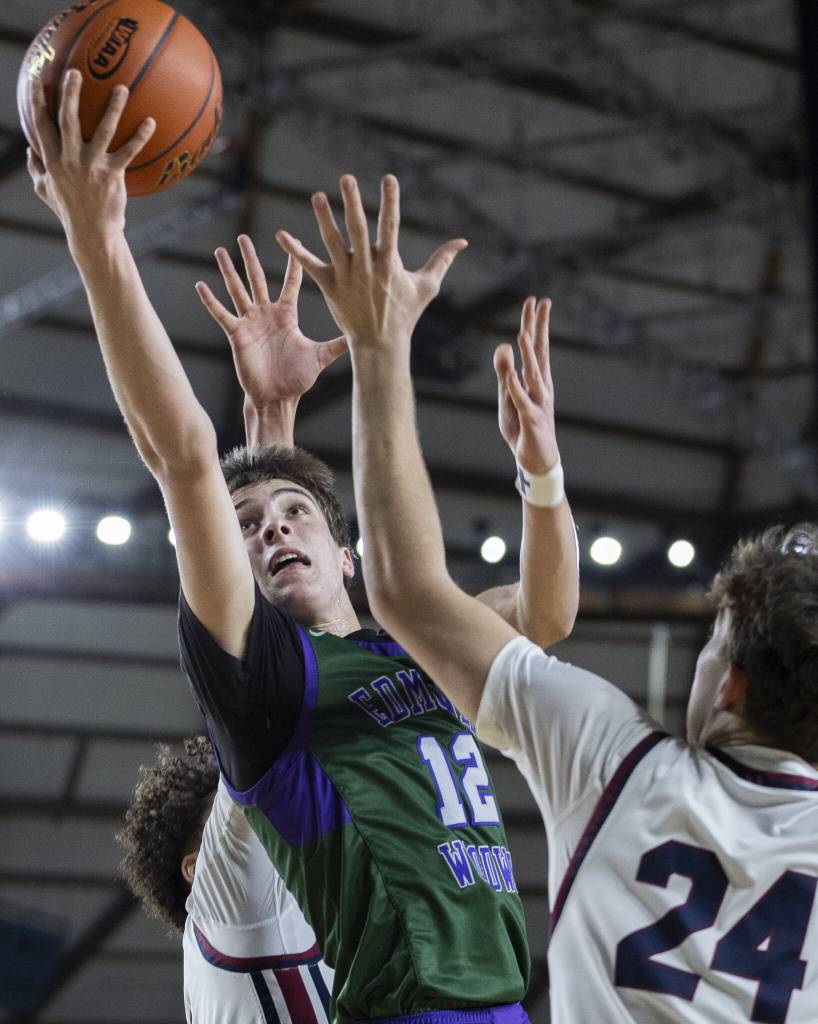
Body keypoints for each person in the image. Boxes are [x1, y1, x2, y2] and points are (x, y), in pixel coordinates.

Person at [27, 75, 579, 1021]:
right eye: (250, 529)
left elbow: (545, 613)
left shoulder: (415, 646)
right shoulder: (268, 692)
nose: (274, 526)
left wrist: (542, 476)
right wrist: (98, 237)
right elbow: (188, 465)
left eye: (294, 512)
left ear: (349, 551)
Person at [278, 171, 818, 1024]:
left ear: (736, 685)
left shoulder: (624, 765)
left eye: (712, 645)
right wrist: (540, 474)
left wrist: (379, 349)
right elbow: (528, 609)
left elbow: (422, 593)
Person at [117, 738, 334, 1024]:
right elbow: (249, 752)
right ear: (195, 870)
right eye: (219, 821)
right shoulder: (222, 907)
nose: (258, 821)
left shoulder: (295, 913)